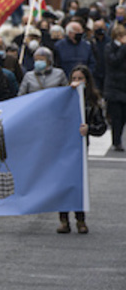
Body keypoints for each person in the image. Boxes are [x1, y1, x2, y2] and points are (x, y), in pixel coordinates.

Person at [58, 66, 107, 233]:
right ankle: (63, 219)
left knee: (79, 183)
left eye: (81, 78)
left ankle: (80, 219)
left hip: (80, 148)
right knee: (63, 182)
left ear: (87, 81)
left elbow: (102, 127)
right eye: (75, 78)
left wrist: (89, 129)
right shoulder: (64, 98)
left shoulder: (93, 101)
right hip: (63, 146)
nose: (77, 82)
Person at [106, 24, 126, 151]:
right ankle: (116, 141)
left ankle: (118, 137)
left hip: (124, 86)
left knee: (123, 116)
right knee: (116, 116)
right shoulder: (110, 48)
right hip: (114, 86)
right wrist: (123, 48)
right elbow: (114, 61)